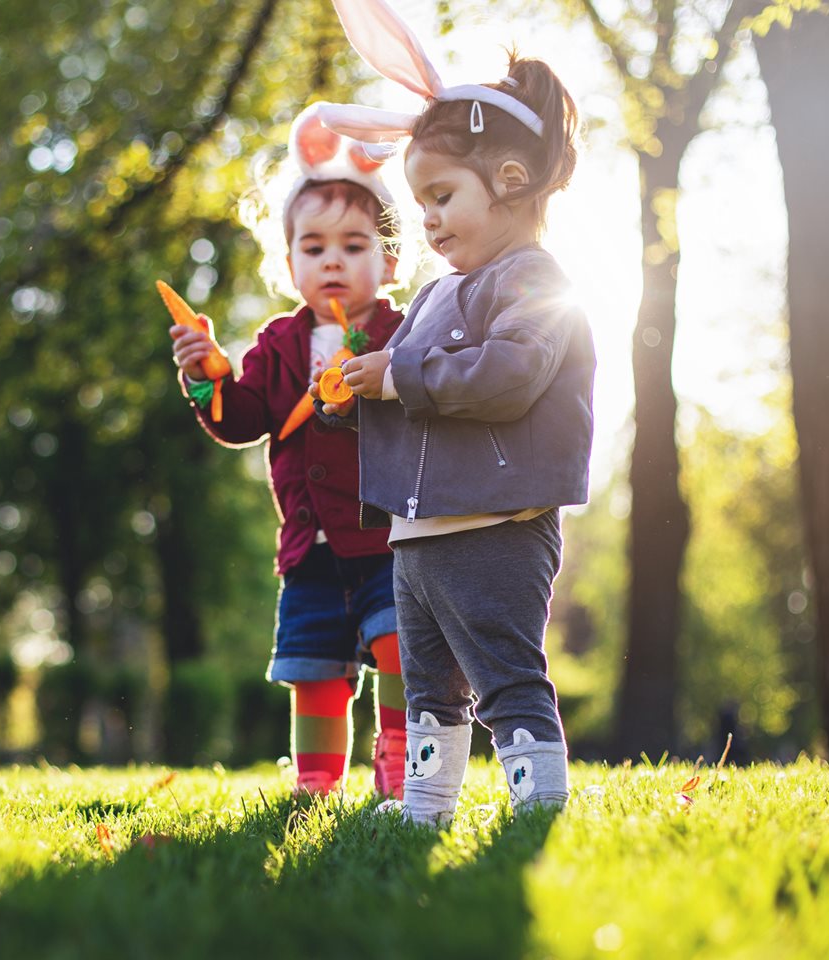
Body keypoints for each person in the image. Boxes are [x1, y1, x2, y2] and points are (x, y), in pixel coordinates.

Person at [313, 0, 595, 825]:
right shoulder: (435, 294)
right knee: (430, 690)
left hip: (497, 523)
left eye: (441, 195)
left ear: (509, 182)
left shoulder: (536, 281)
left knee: (505, 674)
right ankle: (424, 807)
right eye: (420, 201)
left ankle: (536, 804)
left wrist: (395, 376)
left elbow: (504, 377)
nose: (427, 219)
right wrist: (351, 401)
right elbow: (413, 390)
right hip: (419, 532)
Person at [170, 105, 410, 797]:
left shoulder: (404, 331)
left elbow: (428, 400)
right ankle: (316, 785)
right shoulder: (279, 344)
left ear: (389, 259)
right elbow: (243, 418)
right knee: (312, 668)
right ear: (289, 264)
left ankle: (397, 771)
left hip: (388, 537)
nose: (332, 258)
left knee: (400, 648)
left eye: (353, 244)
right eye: (313, 247)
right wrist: (208, 375)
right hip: (309, 547)